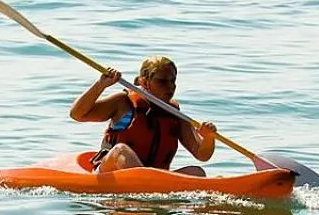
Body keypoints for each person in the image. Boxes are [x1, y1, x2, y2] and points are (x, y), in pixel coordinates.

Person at [70, 57, 217, 175]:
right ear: (144, 82)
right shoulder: (123, 102)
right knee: (121, 150)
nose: (170, 86)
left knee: (196, 172)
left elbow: (202, 154)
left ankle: (152, 188)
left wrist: (209, 138)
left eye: (173, 81)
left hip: (154, 178)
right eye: (162, 81)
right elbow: (77, 114)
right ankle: (147, 185)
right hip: (110, 172)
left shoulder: (174, 114)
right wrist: (100, 85)